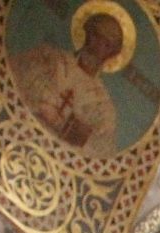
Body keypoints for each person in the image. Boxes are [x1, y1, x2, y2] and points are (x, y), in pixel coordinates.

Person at [8, 5, 126, 156]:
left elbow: (101, 150)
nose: (97, 46)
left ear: (112, 54)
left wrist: (64, 125)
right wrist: (41, 103)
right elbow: (14, 71)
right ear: (87, 33)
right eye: (96, 35)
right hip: (16, 129)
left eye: (106, 44)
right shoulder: (51, 58)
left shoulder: (103, 105)